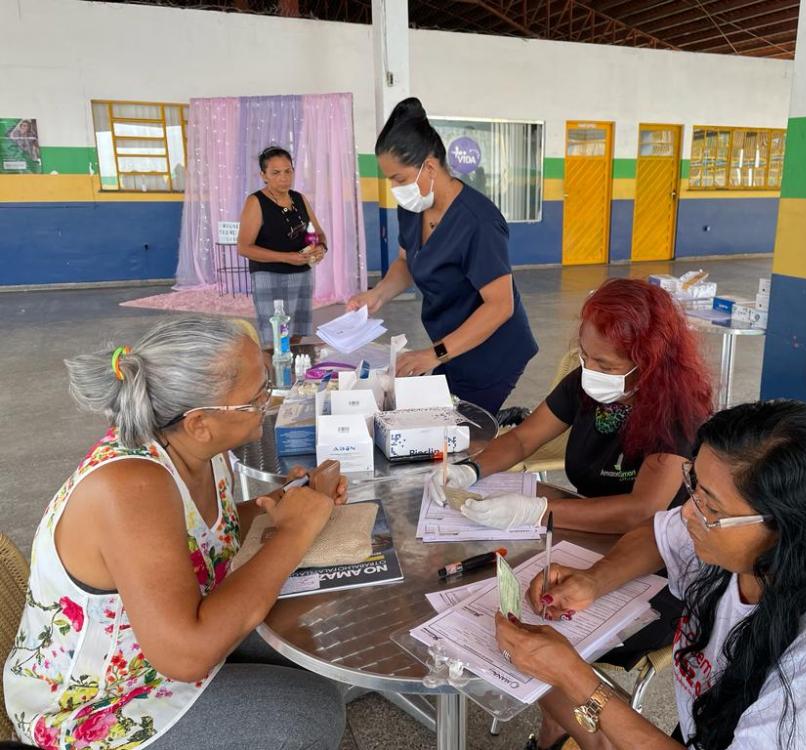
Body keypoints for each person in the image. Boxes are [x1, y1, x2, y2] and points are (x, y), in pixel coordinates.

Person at [495, 400, 806, 750]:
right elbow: (658, 536)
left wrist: (581, 681)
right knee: (544, 674)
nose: (689, 514)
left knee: (564, 678)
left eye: (710, 507)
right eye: (693, 486)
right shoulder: (730, 544)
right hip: (710, 732)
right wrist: (592, 581)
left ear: (788, 527)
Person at [4, 316, 347, 750]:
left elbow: (198, 534)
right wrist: (294, 533)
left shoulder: (193, 448)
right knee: (307, 716)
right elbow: (186, 655)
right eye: (257, 397)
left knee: (309, 632)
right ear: (200, 421)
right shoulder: (131, 486)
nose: (270, 400)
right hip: (92, 703)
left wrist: (282, 505)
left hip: (149, 653)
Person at [427, 278, 714, 536]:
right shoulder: (584, 382)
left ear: (650, 364)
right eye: (585, 355)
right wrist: (469, 470)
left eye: (605, 364)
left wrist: (535, 512)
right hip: (586, 521)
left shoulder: (679, 413)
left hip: (652, 544)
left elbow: (640, 512)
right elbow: (522, 439)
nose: (589, 370)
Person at [347, 97, 537, 414]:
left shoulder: (478, 222)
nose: (394, 188)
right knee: (439, 417)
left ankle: (501, 422)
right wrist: (377, 295)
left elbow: (501, 305)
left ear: (430, 167)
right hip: (449, 347)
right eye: (390, 180)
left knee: (457, 435)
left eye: (399, 179)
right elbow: (407, 262)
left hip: (491, 352)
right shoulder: (413, 206)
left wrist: (433, 354)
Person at [238, 146, 327, 349]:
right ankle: (275, 377)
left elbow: (319, 233)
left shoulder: (299, 198)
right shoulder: (256, 202)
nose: (284, 178)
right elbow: (244, 248)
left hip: (302, 274)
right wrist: (286, 257)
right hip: (269, 276)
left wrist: (321, 247)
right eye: (276, 173)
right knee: (275, 339)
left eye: (288, 171)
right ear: (264, 175)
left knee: (296, 334)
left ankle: (293, 377)